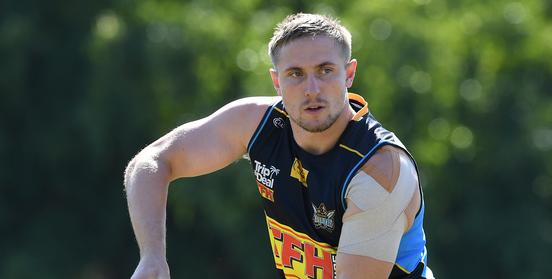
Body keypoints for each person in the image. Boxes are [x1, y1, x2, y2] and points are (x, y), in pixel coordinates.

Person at [124, 13, 434, 279]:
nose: (312, 89)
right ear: (276, 81)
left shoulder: (379, 170)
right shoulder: (257, 123)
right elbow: (152, 161)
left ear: (349, 73)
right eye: (295, 74)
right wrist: (152, 257)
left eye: (325, 70)